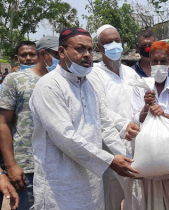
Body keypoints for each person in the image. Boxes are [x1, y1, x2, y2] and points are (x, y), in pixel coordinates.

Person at [29, 27, 139, 209]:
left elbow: (105, 124)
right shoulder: (49, 86)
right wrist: (109, 160)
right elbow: (65, 136)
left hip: (91, 185)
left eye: (89, 49)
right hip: (60, 186)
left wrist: (130, 161)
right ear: (62, 52)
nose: (87, 55)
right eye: (80, 49)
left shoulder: (89, 85)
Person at [0, 36, 59, 210]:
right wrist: (10, 165)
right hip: (27, 166)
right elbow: (3, 123)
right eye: (57, 53)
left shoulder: (63, 81)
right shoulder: (15, 80)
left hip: (58, 166)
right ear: (44, 54)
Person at [88, 24, 141, 210]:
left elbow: (139, 105)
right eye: (108, 42)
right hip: (109, 150)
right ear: (99, 47)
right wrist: (123, 126)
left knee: (136, 200)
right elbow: (99, 110)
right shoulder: (93, 74)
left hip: (134, 146)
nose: (114, 45)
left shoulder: (130, 72)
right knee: (109, 200)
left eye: (117, 41)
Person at [131, 40, 169, 210]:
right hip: (146, 158)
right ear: (149, 62)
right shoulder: (140, 87)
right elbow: (135, 121)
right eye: (154, 61)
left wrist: (163, 114)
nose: (159, 65)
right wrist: (146, 107)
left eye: (163, 61)